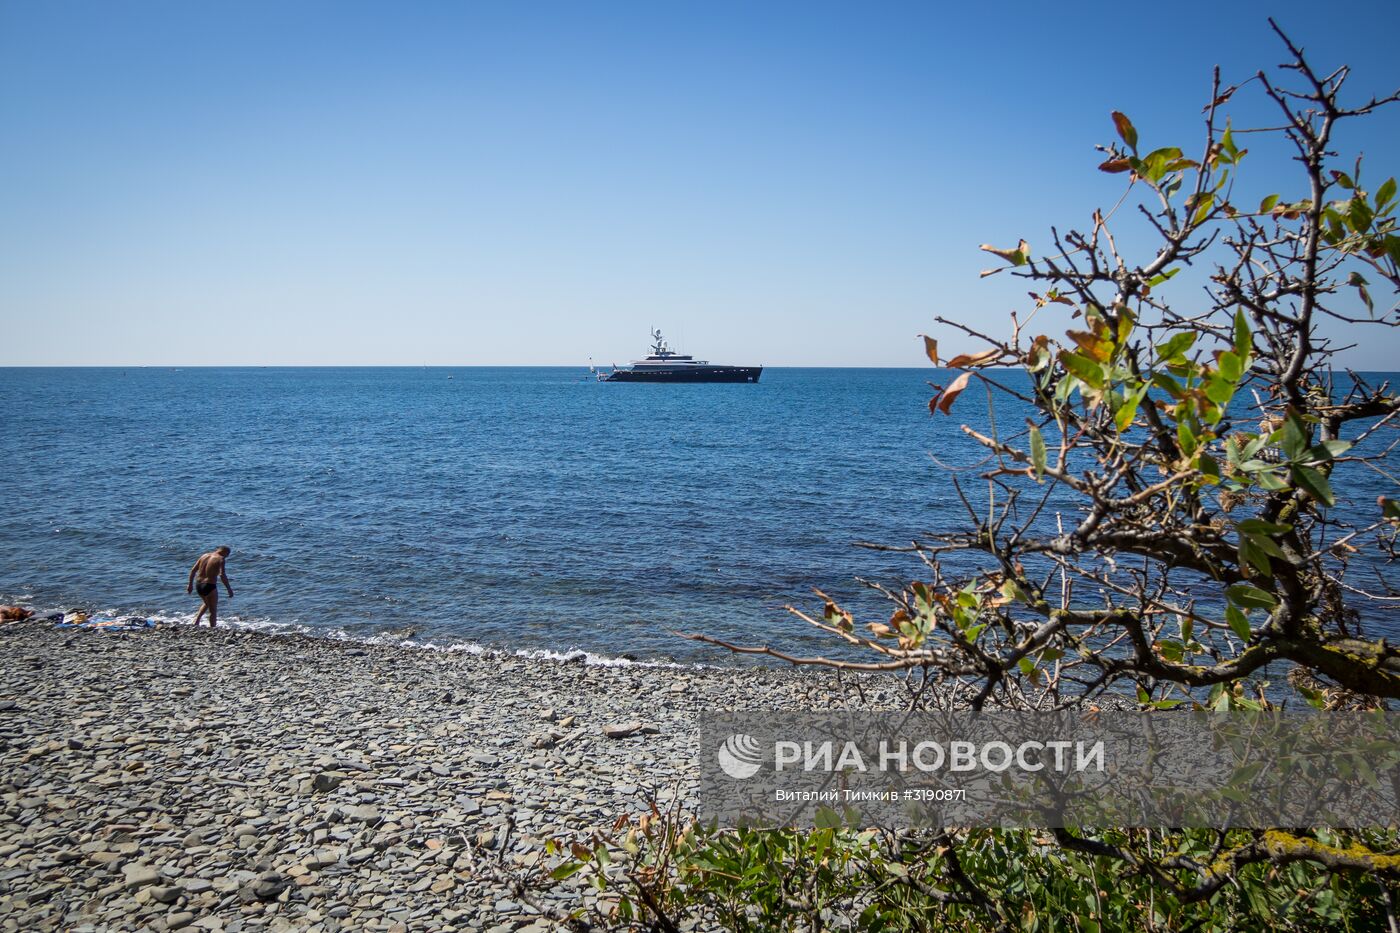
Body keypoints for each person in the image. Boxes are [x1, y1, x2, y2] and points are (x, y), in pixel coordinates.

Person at [187, 546, 233, 627]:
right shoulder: (221, 559)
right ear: (226, 553)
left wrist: (190, 585)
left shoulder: (204, 556)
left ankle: (196, 621)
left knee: (206, 603)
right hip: (209, 585)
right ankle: (213, 628)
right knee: (213, 610)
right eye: (227, 555)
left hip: (198, 584)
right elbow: (222, 575)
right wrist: (229, 589)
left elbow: (193, 570)